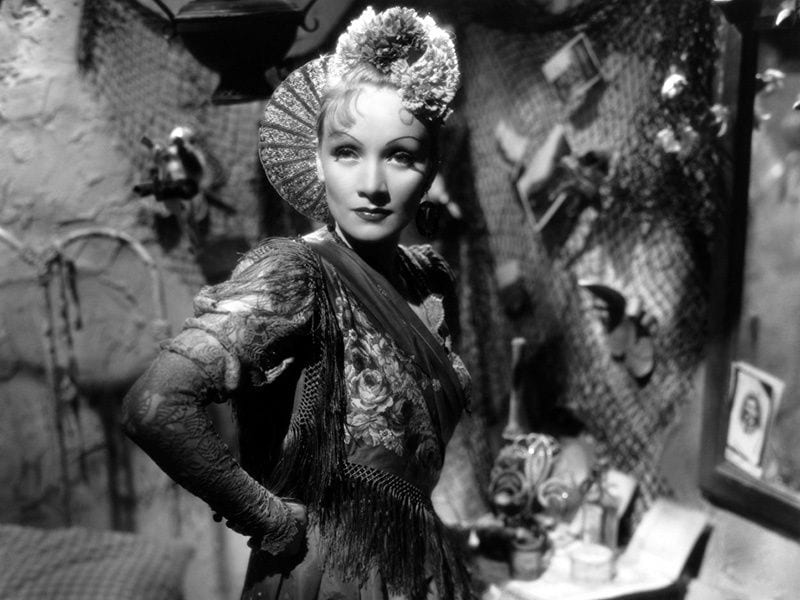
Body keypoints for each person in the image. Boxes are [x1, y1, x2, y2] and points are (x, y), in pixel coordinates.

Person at [122, 6, 474, 599]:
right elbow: (154, 406)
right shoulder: (294, 274)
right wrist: (268, 518)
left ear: (431, 167)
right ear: (317, 159)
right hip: (330, 575)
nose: (373, 185)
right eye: (347, 152)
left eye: (401, 155)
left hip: (419, 568)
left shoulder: (428, 280)